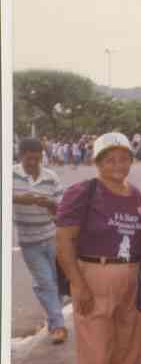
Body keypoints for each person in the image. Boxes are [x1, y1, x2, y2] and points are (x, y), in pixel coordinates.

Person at [55, 132, 141, 364]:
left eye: (124, 158)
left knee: (126, 359)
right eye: (110, 159)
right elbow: (64, 240)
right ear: (97, 162)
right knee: (95, 362)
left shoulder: (136, 195)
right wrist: (76, 283)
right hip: (95, 278)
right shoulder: (83, 191)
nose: (118, 164)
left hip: (132, 282)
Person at [13, 137, 67, 344]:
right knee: (46, 282)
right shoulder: (10, 174)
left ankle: (54, 319)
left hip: (52, 237)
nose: (33, 163)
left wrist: (50, 204)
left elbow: (61, 208)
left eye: (37, 159)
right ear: (21, 157)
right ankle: (59, 325)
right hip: (29, 241)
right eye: (29, 159)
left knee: (55, 282)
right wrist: (19, 199)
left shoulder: (51, 177)